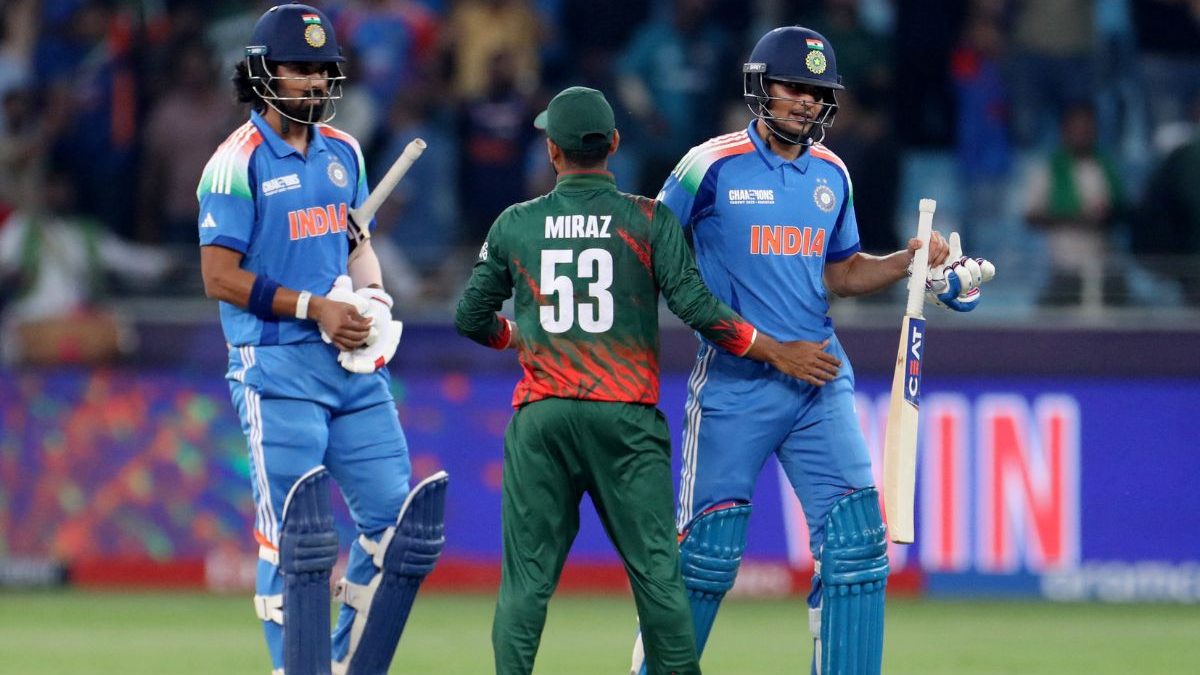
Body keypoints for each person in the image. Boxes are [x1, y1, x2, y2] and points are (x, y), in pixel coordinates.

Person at [628, 26, 995, 675]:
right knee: (706, 557)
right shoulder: (707, 165)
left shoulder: (832, 172)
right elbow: (649, 249)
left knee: (857, 549)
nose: (805, 102)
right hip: (735, 385)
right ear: (761, 86)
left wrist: (907, 262)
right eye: (794, 86)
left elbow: (841, 270)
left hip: (819, 381)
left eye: (818, 92)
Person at [454, 85, 841, 675]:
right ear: (613, 144)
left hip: (542, 421)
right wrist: (773, 351)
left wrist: (519, 338)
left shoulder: (515, 224)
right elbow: (698, 307)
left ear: (552, 152)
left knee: (527, 585)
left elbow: (469, 318)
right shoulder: (647, 219)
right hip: (625, 423)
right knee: (658, 576)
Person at [196, 5, 447, 674]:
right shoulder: (234, 163)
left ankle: (341, 662)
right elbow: (218, 276)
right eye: (299, 68)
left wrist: (373, 299)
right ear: (261, 74)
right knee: (297, 539)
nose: (313, 82)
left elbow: (356, 245)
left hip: (349, 367)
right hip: (274, 365)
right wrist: (314, 307)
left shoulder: (345, 152)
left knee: (399, 531)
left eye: (322, 70)